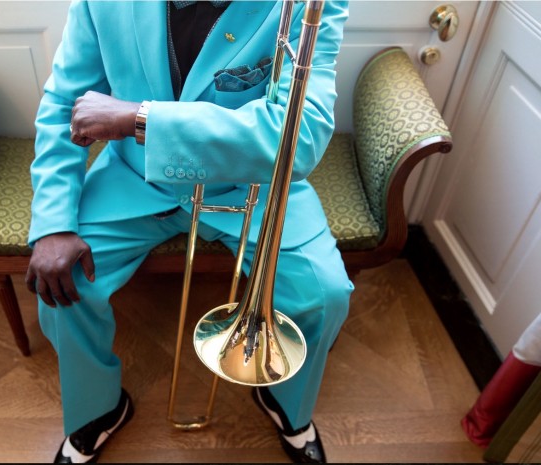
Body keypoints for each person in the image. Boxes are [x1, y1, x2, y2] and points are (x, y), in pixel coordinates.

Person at [25, 1, 352, 463]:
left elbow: (303, 135)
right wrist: (54, 222)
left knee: (326, 293)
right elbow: (64, 103)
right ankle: (96, 410)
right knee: (62, 283)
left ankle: (285, 400)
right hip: (136, 180)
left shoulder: (311, 5)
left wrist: (140, 118)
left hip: (253, 185)